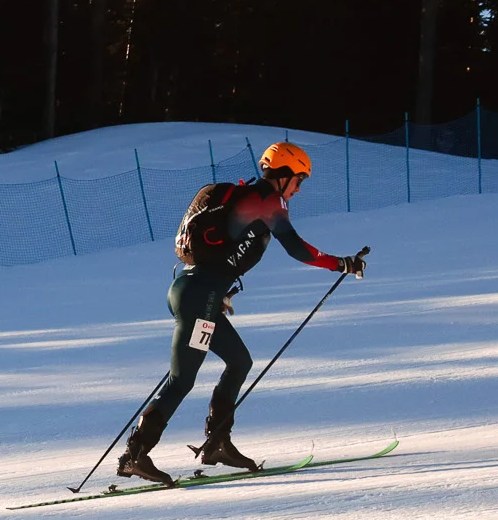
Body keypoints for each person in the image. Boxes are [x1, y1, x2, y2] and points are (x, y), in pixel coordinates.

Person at [117, 142, 367, 486]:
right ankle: (135, 455)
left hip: (198, 294)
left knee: (239, 361)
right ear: (283, 175)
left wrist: (217, 294)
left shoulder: (250, 198)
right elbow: (296, 247)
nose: (298, 189)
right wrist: (341, 263)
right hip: (198, 297)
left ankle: (218, 442)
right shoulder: (268, 200)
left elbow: (226, 254)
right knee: (182, 379)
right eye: (299, 180)